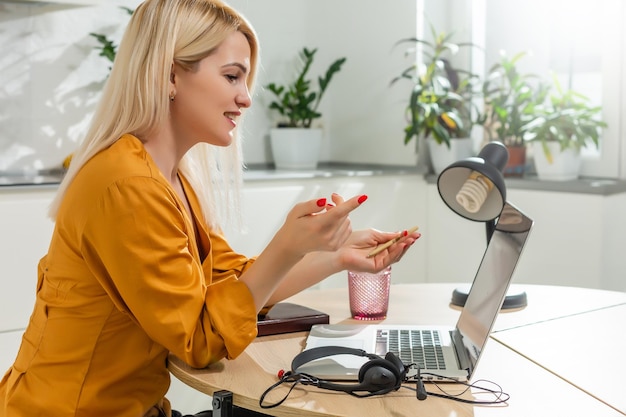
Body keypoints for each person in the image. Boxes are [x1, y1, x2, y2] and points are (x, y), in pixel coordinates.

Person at [0, 1, 421, 416]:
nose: (246, 99)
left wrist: (334, 257)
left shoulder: (169, 178)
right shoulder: (128, 185)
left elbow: (235, 285)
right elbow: (201, 339)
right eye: (232, 76)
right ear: (169, 75)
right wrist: (287, 247)